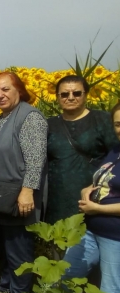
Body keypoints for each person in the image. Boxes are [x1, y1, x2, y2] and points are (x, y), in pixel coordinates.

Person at [0, 71, 47, 293]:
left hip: (18, 197)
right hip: (0, 198)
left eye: (6, 89)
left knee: (18, 251)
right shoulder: (1, 118)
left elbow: (36, 159)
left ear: (19, 90)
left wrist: (27, 191)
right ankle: (7, 290)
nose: (0, 95)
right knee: (4, 248)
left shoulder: (29, 117)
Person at [65, 102, 120, 293]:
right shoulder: (116, 150)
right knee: (65, 275)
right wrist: (89, 189)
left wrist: (98, 208)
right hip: (91, 230)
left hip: (114, 235)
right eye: (118, 123)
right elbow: (104, 179)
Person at [46, 75, 118, 224]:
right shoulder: (49, 125)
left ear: (86, 95)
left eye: (77, 93)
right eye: (64, 94)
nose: (70, 97)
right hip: (57, 199)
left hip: (93, 197)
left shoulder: (102, 120)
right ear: (57, 97)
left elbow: (116, 155)